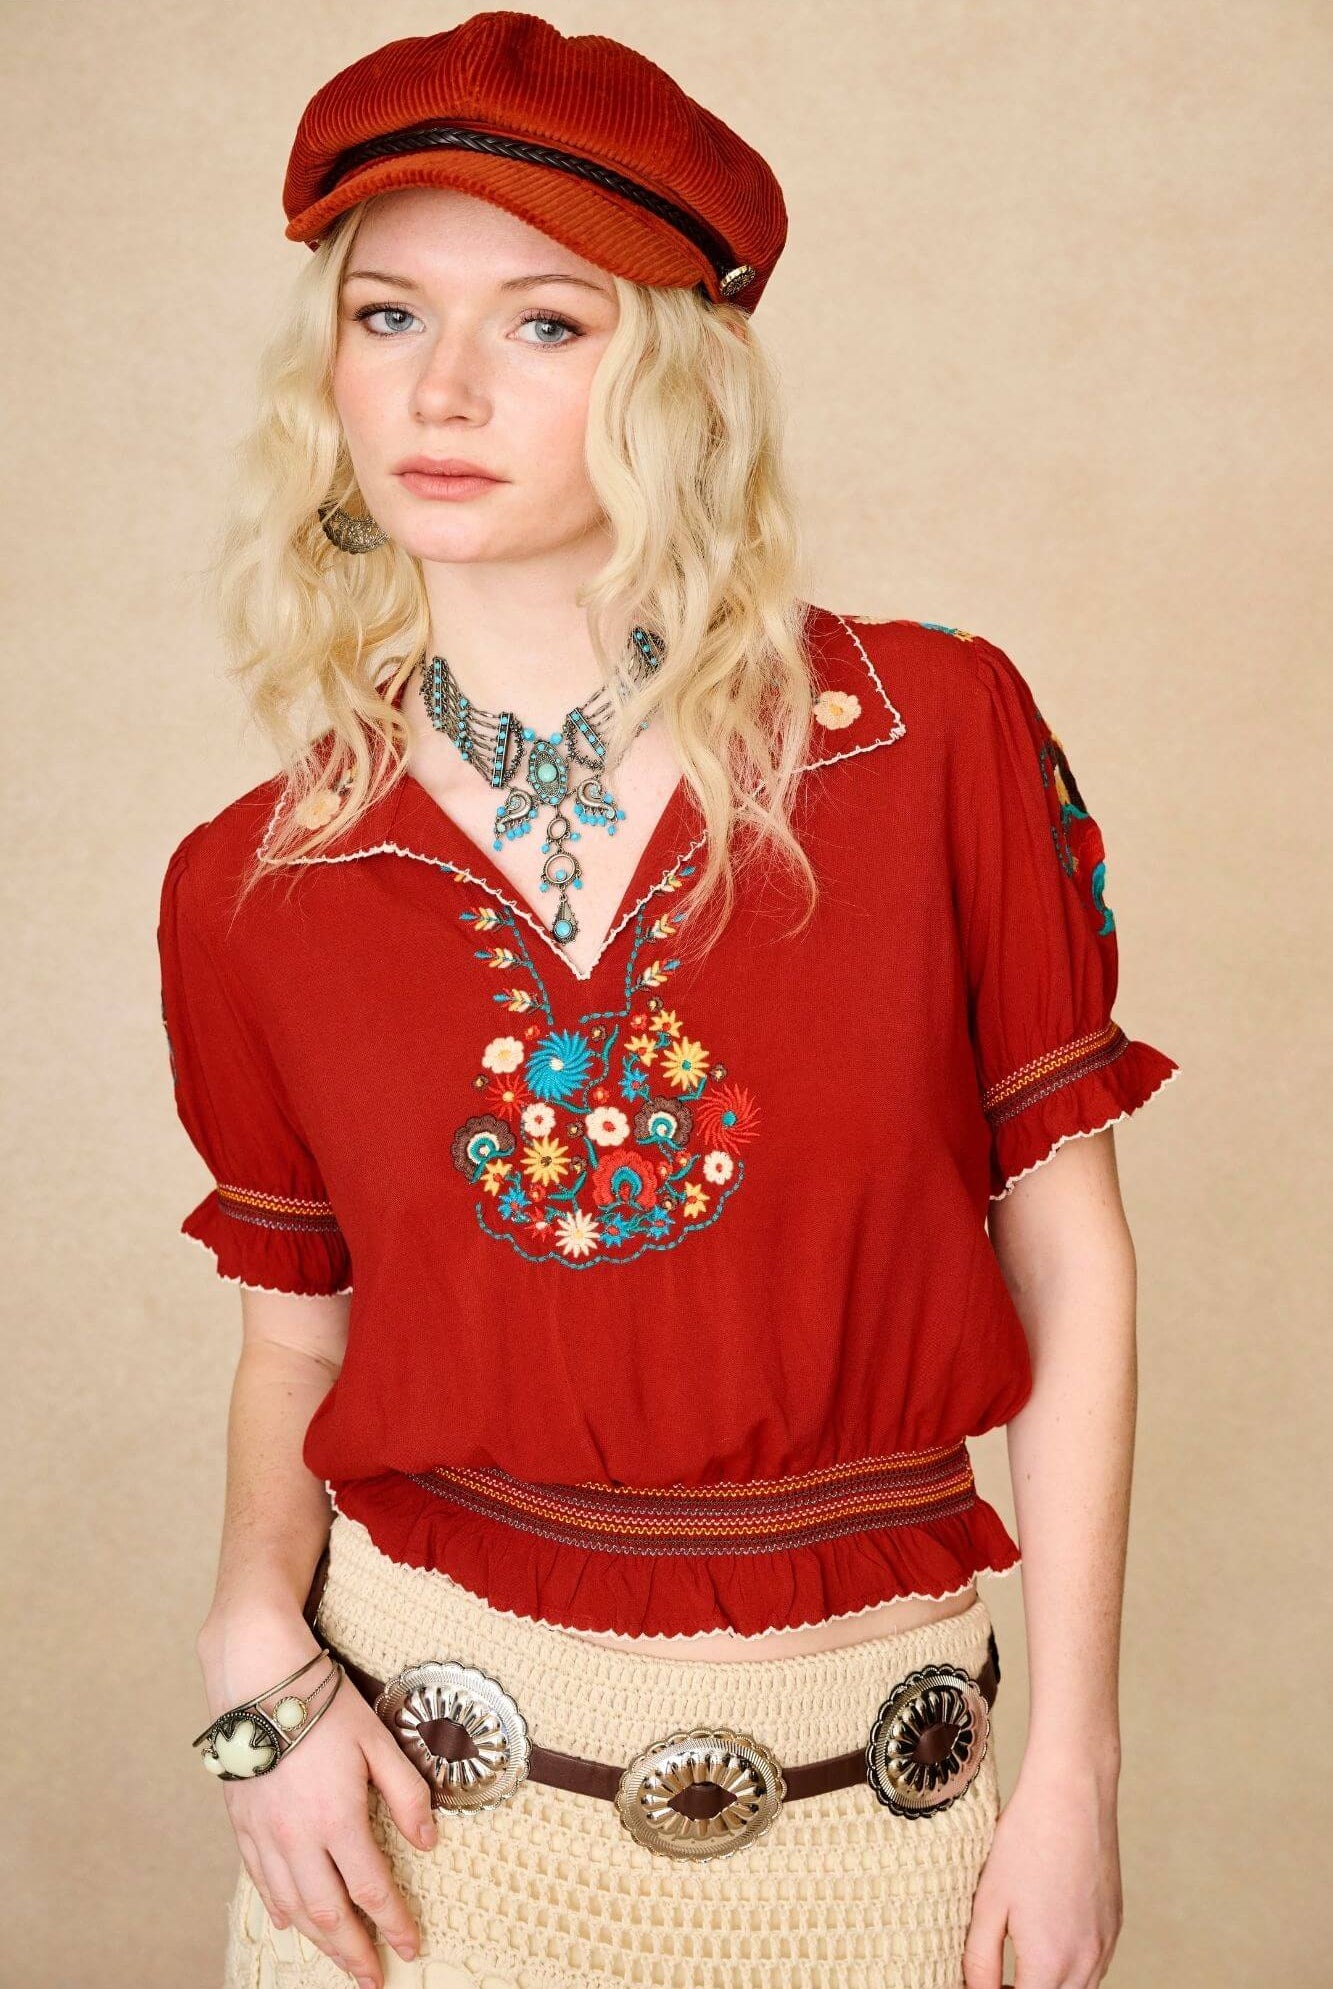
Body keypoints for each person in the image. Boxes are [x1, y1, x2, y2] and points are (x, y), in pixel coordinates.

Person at [157, 14, 1180, 1989]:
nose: (443, 386)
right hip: (417, 1843)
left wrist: (1071, 1763)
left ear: (678, 372)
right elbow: (301, 1345)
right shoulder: (256, 879)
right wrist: (247, 1650)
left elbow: (1071, 1262)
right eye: (387, 316)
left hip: (874, 1826)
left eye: (545, 322)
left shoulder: (927, 736)